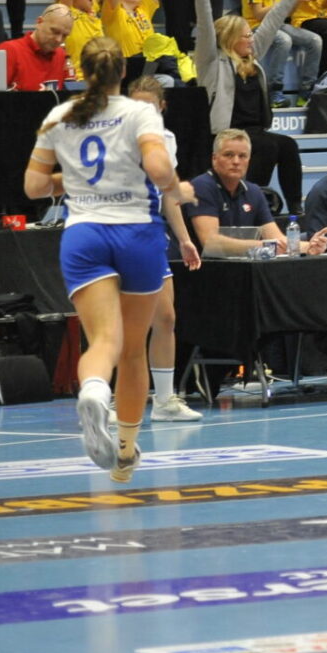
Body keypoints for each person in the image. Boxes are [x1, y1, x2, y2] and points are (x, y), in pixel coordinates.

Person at [23, 38, 191, 478]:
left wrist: (75, 180)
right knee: (133, 351)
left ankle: (95, 390)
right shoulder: (140, 113)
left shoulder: (59, 115)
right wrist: (178, 188)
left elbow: (34, 187)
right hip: (136, 233)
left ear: (82, 71)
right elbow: (159, 169)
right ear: (123, 73)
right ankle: (125, 451)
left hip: (85, 235)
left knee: (102, 342)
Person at [191, 0, 306, 213]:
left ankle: (296, 207)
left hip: (255, 131)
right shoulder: (212, 62)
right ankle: (251, 201)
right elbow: (206, 27)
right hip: (225, 132)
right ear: (231, 39)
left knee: (287, 145)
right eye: (246, 35)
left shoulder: (251, 58)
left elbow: (271, 23)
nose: (251, 39)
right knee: (265, 146)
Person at [123, 76, 204, 423]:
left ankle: (165, 401)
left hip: (152, 235)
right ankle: (117, 400)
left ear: (162, 108)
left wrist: (184, 238)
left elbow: (169, 194)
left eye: (149, 107)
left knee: (166, 318)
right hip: (121, 233)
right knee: (129, 321)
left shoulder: (166, 140)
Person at [184, 127, 327, 258]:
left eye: (242, 156)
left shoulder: (253, 192)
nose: (236, 161)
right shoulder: (201, 187)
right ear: (214, 159)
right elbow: (211, 244)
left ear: (249, 160)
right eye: (229, 155)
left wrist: (309, 246)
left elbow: (277, 239)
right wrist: (262, 245)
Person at [0, 3, 75, 90]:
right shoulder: (8, 51)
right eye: (55, 31)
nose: (59, 39)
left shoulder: (62, 55)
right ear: (39, 22)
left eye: (65, 35)